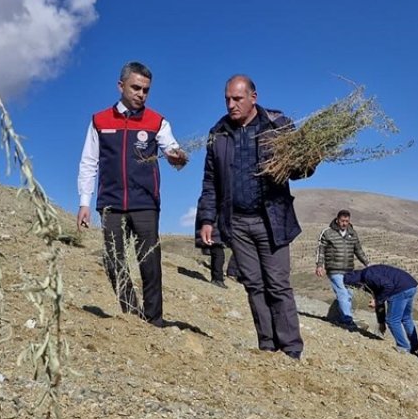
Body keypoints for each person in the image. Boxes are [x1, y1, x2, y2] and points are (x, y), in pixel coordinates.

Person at [196, 75, 314, 359]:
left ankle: (291, 349)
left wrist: (310, 157)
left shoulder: (277, 125)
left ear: (253, 97)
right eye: (227, 99)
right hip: (237, 222)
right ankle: (267, 345)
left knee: (278, 284)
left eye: (237, 99)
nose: (231, 104)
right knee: (253, 285)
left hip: (271, 219)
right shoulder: (219, 133)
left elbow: (300, 171)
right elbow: (210, 181)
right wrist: (206, 219)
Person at [77, 61, 188, 326]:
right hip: (110, 204)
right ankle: (131, 316)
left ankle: (154, 320)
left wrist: (178, 158)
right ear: (121, 86)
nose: (141, 94)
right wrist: (84, 202)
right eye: (136, 88)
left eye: (146, 90)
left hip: (145, 203)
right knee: (115, 261)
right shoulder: (99, 121)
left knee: (149, 262)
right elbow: (88, 162)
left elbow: (175, 151)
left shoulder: (157, 122)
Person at [343, 264, 418, 354]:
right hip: (410, 285)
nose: (358, 289)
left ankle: (403, 347)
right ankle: (415, 348)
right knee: (406, 318)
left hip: (400, 289)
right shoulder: (368, 276)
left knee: (392, 320)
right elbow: (380, 300)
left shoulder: (368, 276)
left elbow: (389, 287)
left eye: (355, 287)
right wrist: (381, 322)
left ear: (356, 282)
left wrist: (376, 301)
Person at [316, 209, 369, 329]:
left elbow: (358, 250)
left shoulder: (352, 233)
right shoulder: (328, 232)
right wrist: (320, 265)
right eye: (342, 221)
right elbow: (321, 250)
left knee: (349, 293)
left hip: (349, 270)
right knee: (343, 293)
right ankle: (347, 320)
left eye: (346, 221)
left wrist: (367, 263)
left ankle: (342, 316)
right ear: (337, 220)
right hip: (334, 269)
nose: (344, 223)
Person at [195, 212, 227, 288]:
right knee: (219, 255)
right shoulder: (211, 206)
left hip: (213, 232)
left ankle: (217, 278)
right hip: (213, 233)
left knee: (217, 255)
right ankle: (217, 279)